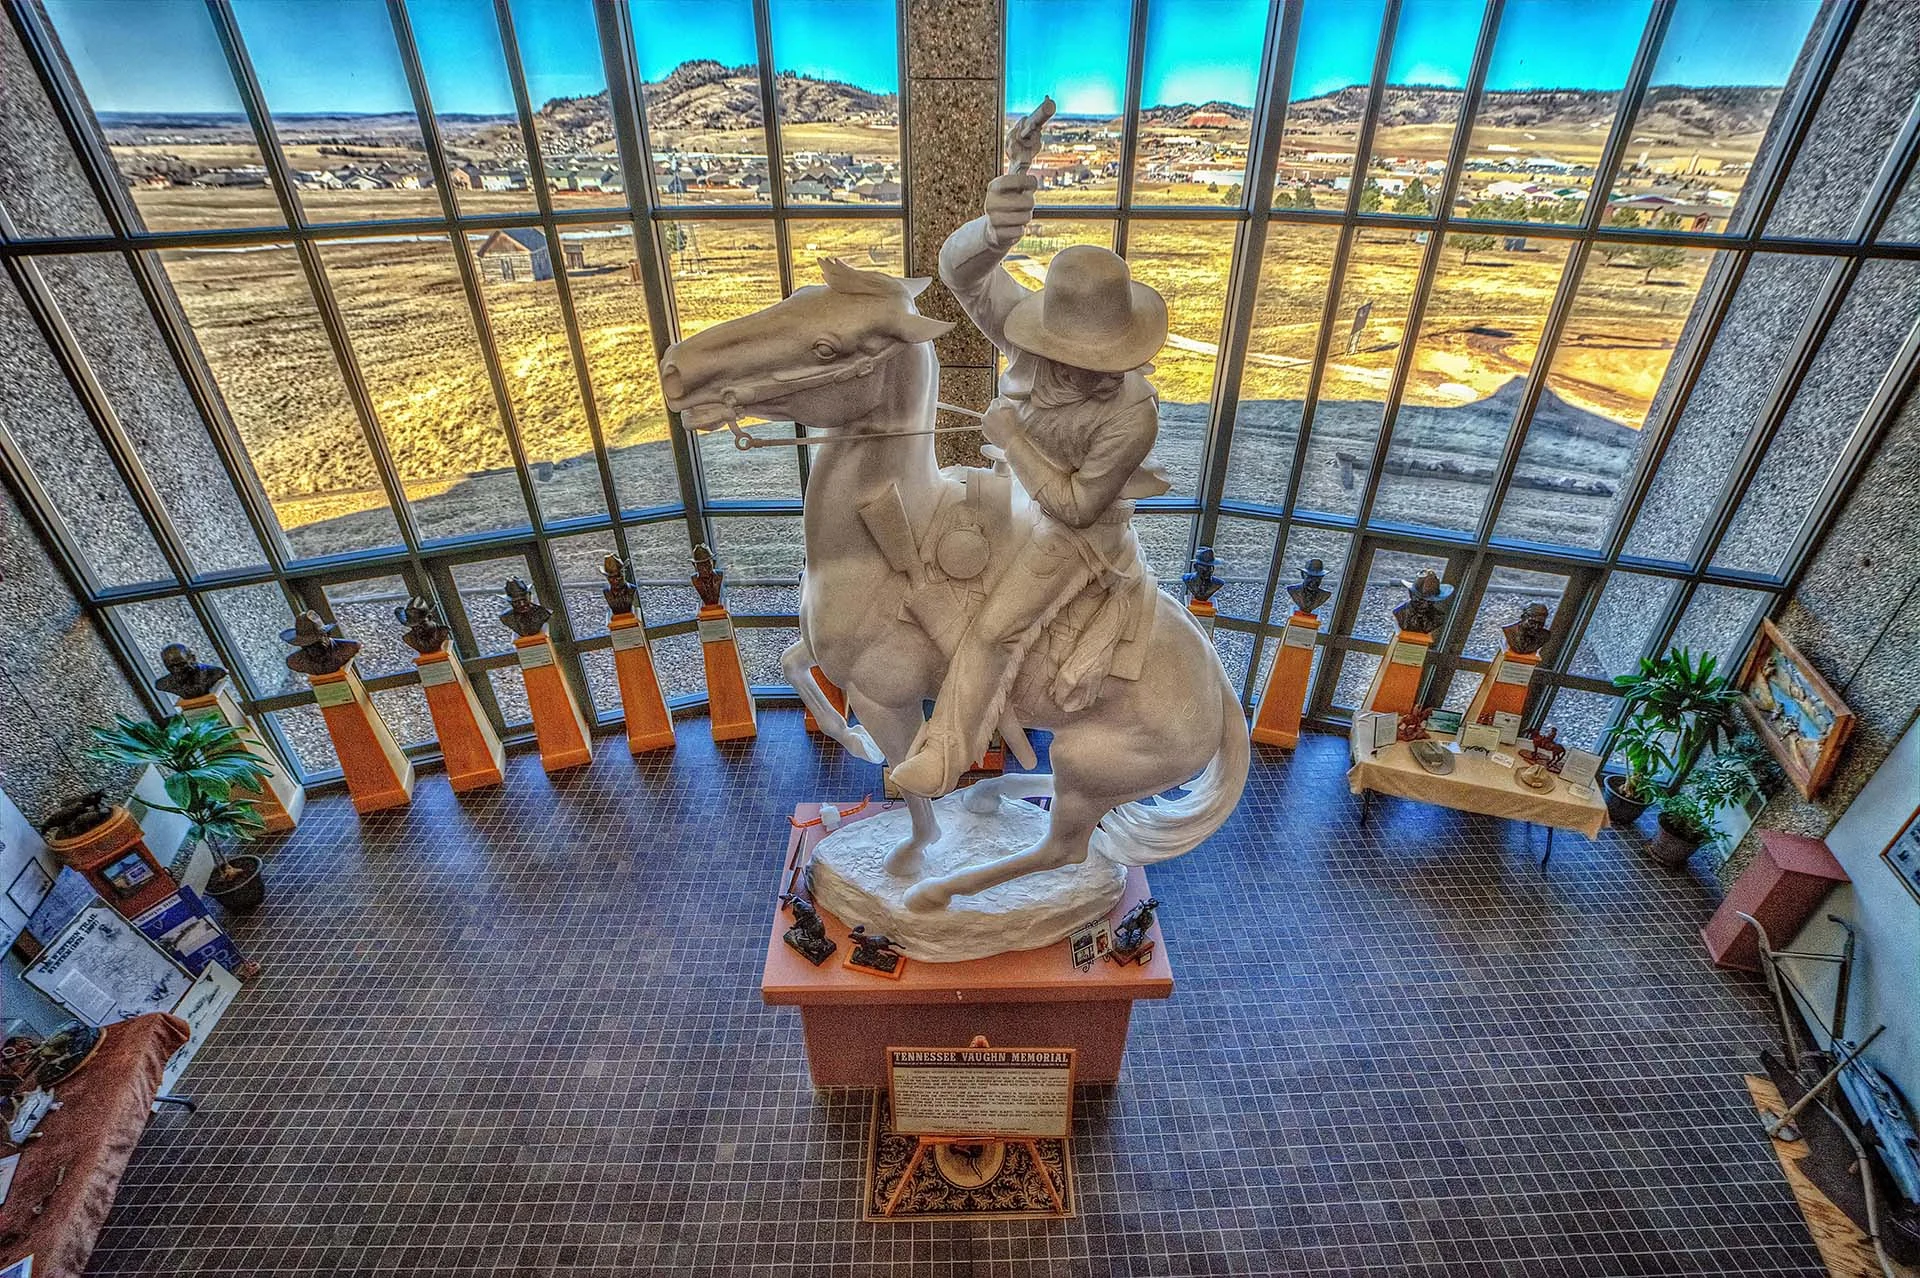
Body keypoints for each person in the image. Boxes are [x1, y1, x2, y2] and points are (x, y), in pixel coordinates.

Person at [890, 99, 1171, 799]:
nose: (1091, 371)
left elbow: (1076, 507)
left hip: (1078, 535)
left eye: (1106, 358)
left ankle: (947, 751)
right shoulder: (1028, 337)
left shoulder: (1133, 416)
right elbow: (962, 274)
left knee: (994, 630)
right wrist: (996, 226)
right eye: (1077, 355)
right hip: (1019, 488)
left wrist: (1012, 440)